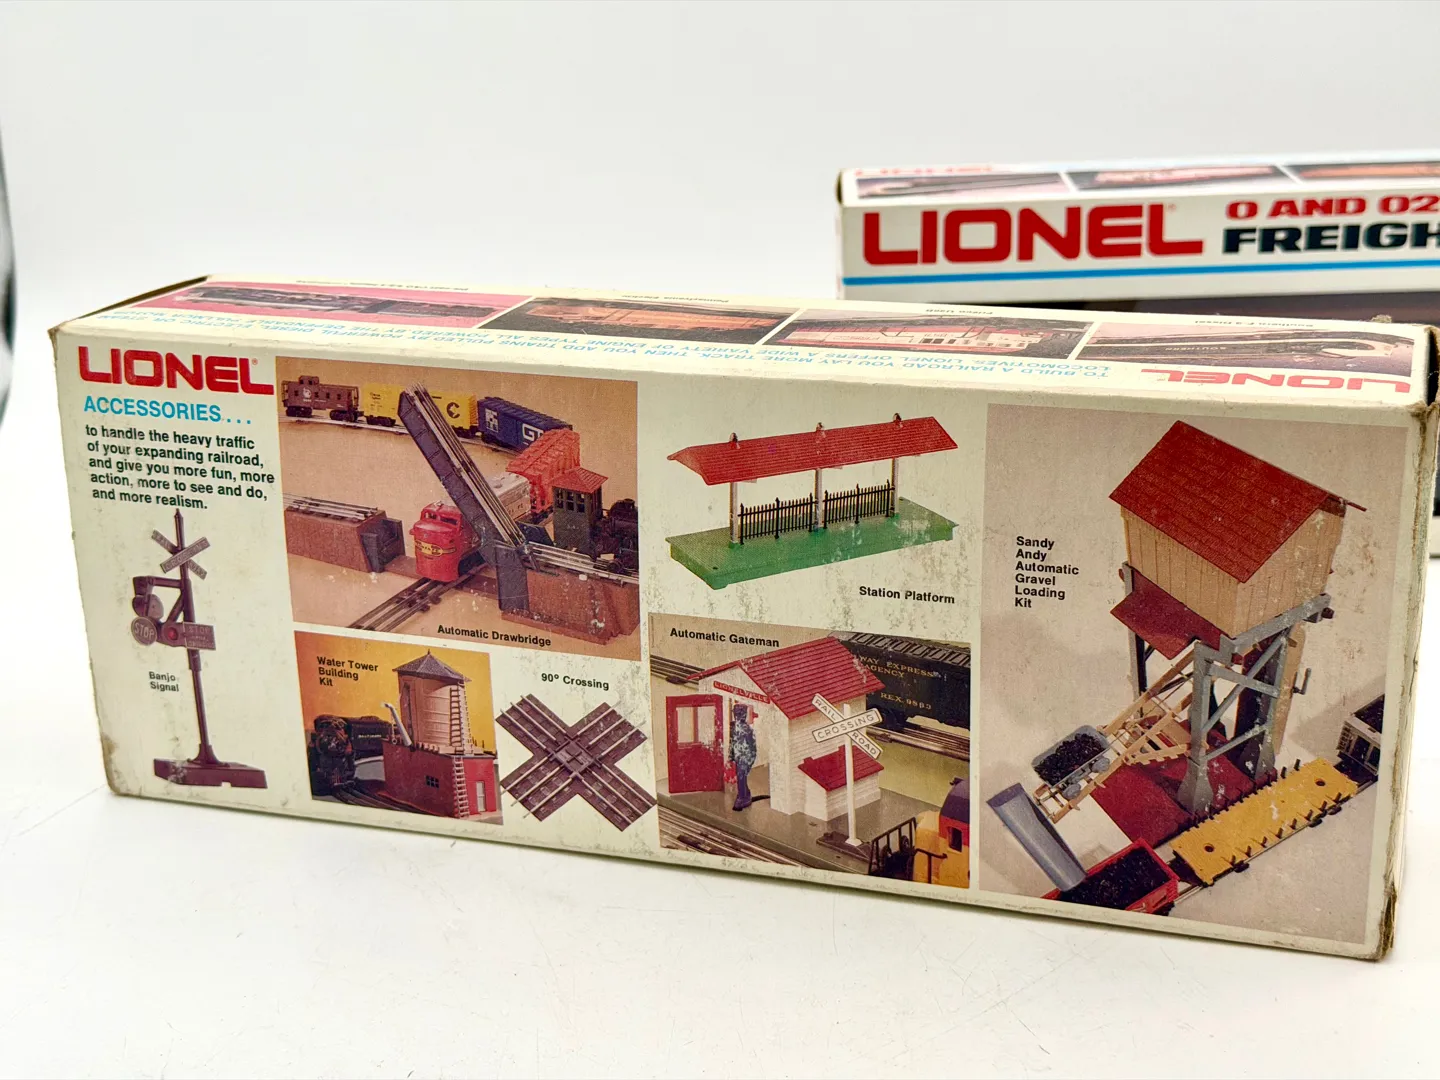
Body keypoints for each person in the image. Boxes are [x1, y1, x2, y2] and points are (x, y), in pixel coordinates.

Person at [729, 704, 757, 811]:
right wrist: (731, 756)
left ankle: (742, 797)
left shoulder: (748, 729)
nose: (738, 716)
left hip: (745, 757)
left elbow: (752, 746)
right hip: (738, 756)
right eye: (736, 713)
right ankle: (745, 794)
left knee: (741, 777)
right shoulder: (734, 727)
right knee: (741, 777)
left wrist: (750, 759)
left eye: (740, 713)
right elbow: (732, 742)